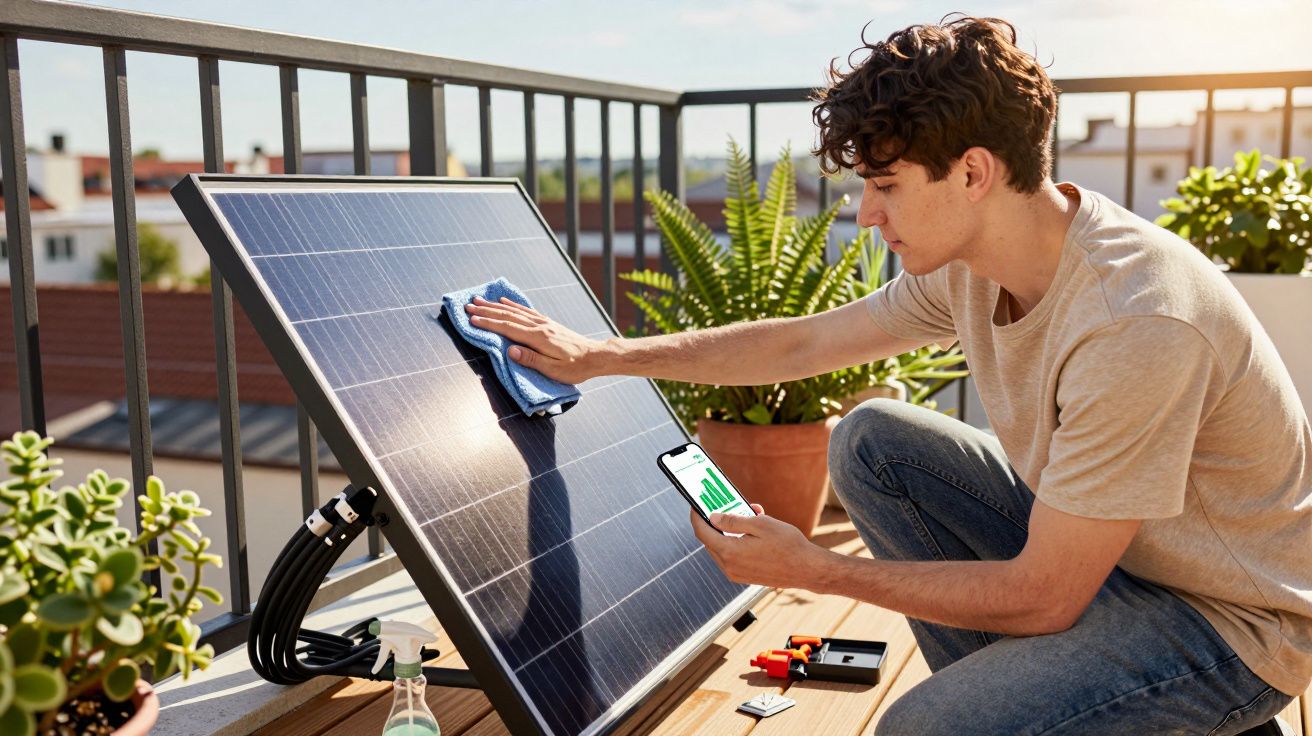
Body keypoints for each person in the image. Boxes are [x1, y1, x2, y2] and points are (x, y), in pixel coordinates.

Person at [463, 16, 1311, 735]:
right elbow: (799, 347)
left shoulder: (1135, 323)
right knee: (875, 443)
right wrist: (603, 355)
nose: (867, 214)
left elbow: (1047, 597)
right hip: (1114, 562)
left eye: (885, 185)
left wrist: (815, 570)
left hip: (1230, 623)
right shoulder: (978, 260)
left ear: (973, 173)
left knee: (919, 728)